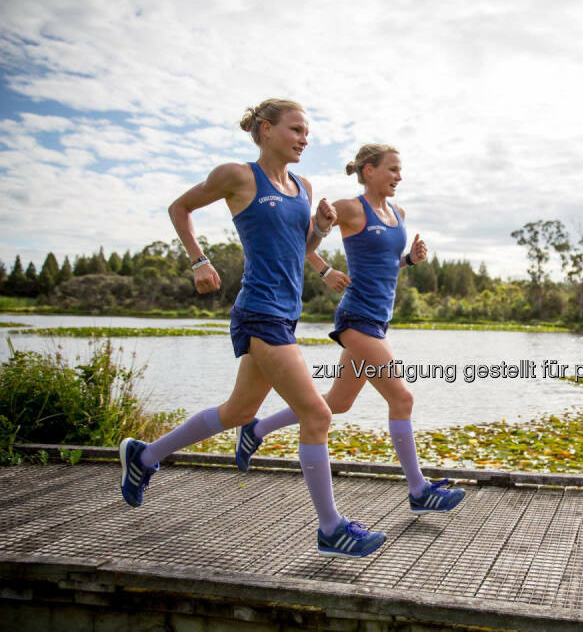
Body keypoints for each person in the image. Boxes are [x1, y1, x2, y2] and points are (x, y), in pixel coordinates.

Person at [118, 99, 386, 558]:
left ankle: (143, 457)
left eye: (307, 132)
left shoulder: (302, 185)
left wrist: (320, 229)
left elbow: (299, 246)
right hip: (258, 310)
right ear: (265, 129)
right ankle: (330, 528)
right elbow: (179, 208)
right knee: (318, 414)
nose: (304, 139)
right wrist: (199, 260)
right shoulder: (238, 176)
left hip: (287, 312)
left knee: (239, 412)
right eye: (296, 129)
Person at [234, 144, 465, 515]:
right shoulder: (349, 208)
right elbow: (303, 241)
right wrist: (325, 271)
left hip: (378, 319)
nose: (398, 177)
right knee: (402, 399)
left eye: (400, 170)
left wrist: (410, 259)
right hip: (356, 319)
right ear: (369, 171)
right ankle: (419, 490)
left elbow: (385, 263)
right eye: (392, 169)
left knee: (337, 403)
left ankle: (256, 430)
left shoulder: (398, 213)